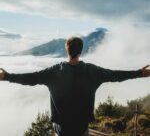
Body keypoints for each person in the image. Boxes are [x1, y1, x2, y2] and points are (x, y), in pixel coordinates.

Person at [0, 37, 150, 136]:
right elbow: (116, 75)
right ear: (81, 50)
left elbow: (30, 78)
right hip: (81, 127)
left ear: (67, 49)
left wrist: (7, 76)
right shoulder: (93, 71)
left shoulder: (53, 72)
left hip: (61, 128)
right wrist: (139, 73)